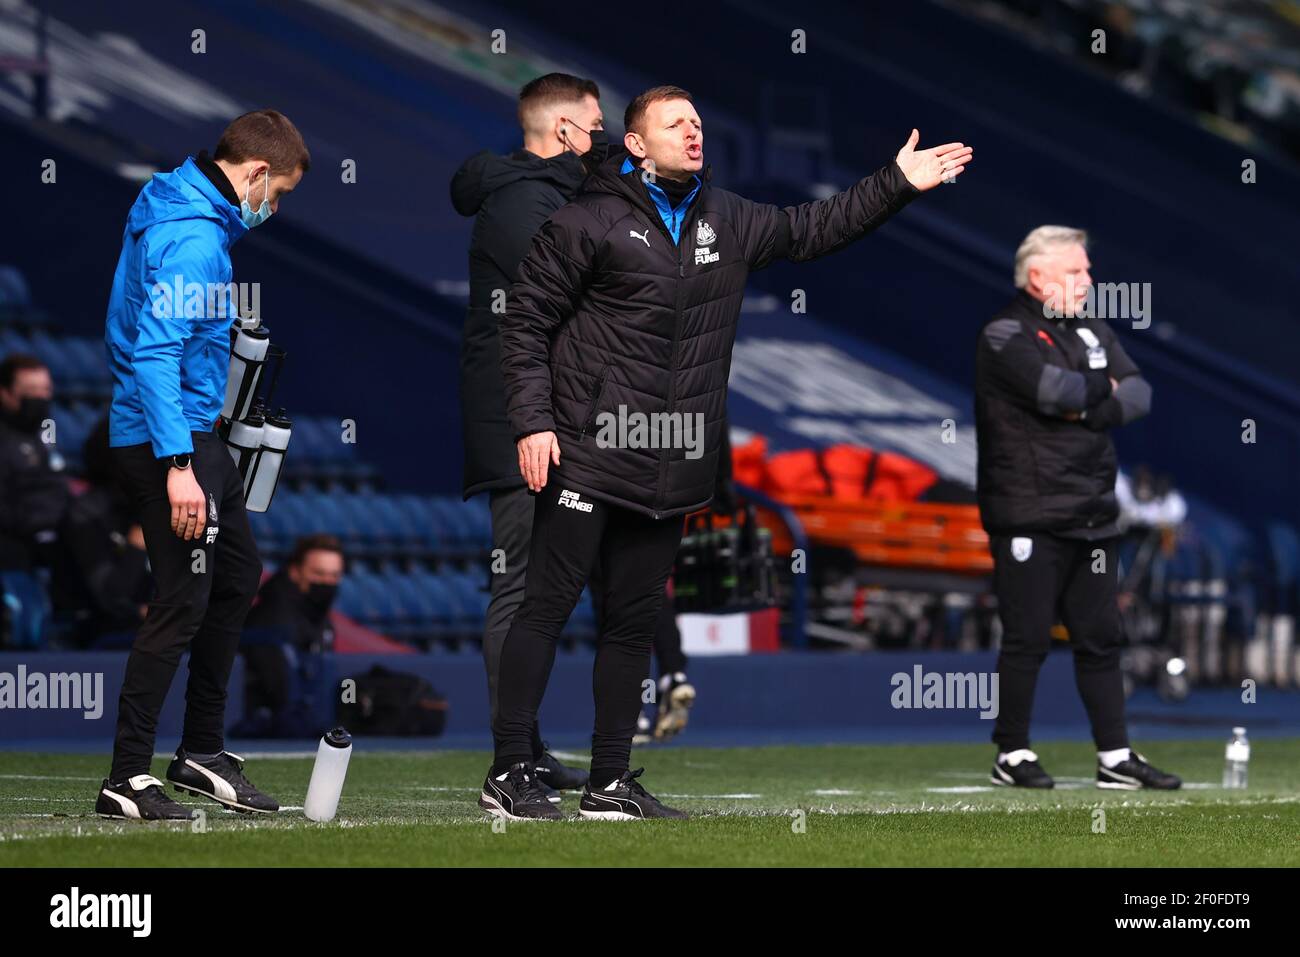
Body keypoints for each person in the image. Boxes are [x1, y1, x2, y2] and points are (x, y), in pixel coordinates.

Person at [481, 84, 972, 820]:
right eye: (675, 123)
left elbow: (815, 228)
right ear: (638, 144)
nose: (693, 131)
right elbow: (524, 324)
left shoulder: (731, 218)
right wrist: (531, 423)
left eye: (699, 122)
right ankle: (510, 769)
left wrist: (895, 183)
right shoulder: (587, 219)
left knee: (632, 623)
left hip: (670, 460)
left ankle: (608, 783)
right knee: (545, 608)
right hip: (587, 449)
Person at [96, 110, 309, 820]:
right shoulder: (193, 238)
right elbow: (155, 352)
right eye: (275, 194)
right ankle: (127, 776)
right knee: (182, 601)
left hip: (190, 435)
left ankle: (200, 752)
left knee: (238, 576)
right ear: (253, 173)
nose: (273, 208)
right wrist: (179, 463)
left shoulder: (184, 208)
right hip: (170, 442)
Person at [975, 224, 1180, 790]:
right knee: (1028, 636)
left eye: (1087, 270)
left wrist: (1087, 400)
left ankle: (1115, 756)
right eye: (1076, 271)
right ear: (1038, 276)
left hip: (1092, 511)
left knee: (1102, 635)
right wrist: (1099, 390)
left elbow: (1139, 394)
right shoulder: (1003, 333)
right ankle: (1011, 754)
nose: (1088, 280)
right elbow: (1049, 392)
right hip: (1029, 511)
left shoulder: (1092, 328)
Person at [451, 73, 607, 798]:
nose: (603, 138)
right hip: (519, 422)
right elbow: (571, 297)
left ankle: (530, 746)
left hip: (544, 418)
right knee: (516, 586)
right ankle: (509, 759)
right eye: (596, 125)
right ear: (565, 132)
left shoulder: (549, 193)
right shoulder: (523, 201)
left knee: (541, 585)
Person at [239, 534, 343, 736]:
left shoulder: (319, 618)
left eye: (334, 576)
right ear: (295, 572)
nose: (327, 582)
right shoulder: (272, 618)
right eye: (319, 574)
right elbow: (281, 694)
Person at [0, 353, 68, 573]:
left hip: (55, 545)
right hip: (12, 550)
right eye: (31, 391)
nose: (40, 397)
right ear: (6, 393)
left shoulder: (47, 426)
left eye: (45, 390)